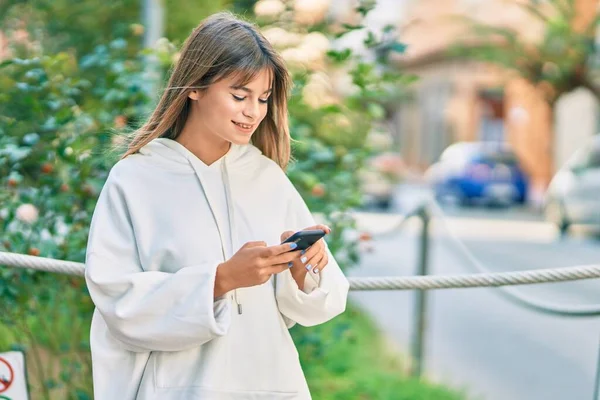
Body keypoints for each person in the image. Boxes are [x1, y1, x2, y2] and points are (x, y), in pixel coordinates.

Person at [84, 11, 349, 400]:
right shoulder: (136, 179)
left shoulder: (267, 177)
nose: (253, 112)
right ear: (195, 87)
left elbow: (323, 301)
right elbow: (118, 302)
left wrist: (304, 270)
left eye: (262, 99)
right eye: (239, 96)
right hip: (177, 390)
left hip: (270, 384)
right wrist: (221, 279)